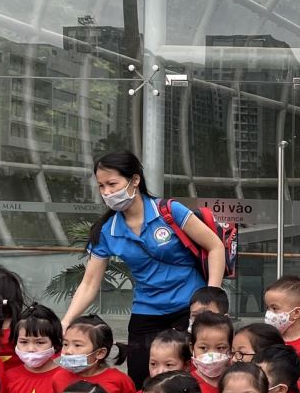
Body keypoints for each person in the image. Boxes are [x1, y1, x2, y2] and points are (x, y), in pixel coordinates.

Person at [61, 151, 226, 380]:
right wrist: (66, 320)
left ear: (135, 180)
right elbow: (89, 284)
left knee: (192, 375)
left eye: (112, 184)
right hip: (147, 310)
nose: (107, 192)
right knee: (141, 376)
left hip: (189, 307)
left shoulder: (169, 211)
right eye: (101, 186)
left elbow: (215, 246)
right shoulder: (107, 230)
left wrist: (211, 297)